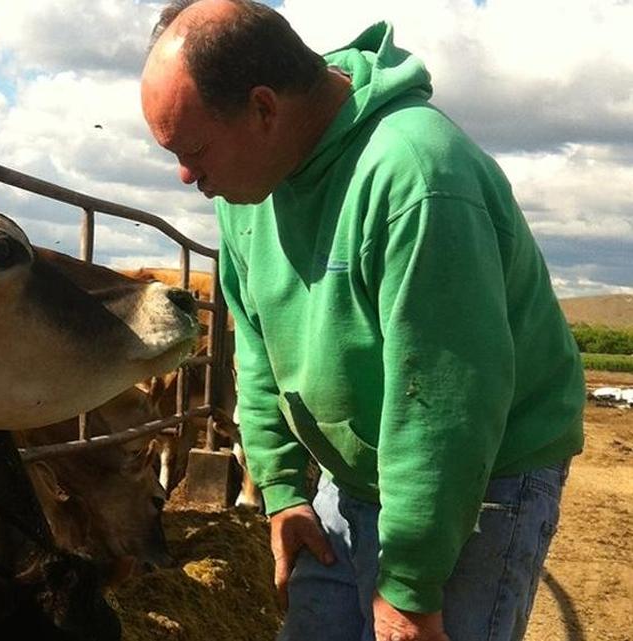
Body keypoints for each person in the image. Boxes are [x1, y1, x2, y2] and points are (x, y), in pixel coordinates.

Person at [140, 2, 585, 641]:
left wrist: (410, 583)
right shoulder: (248, 192)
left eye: (194, 149)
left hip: (482, 476)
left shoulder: (418, 177)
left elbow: (443, 403)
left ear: (264, 108)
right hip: (357, 473)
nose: (187, 176)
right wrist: (284, 490)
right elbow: (260, 348)